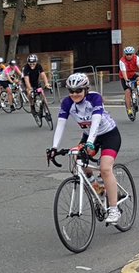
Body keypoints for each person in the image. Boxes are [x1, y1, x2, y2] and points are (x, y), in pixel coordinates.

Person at [46, 72, 122, 224]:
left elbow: (96, 121)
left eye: (78, 91)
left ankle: (114, 209)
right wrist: (54, 147)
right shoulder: (67, 103)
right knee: (77, 158)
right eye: (71, 91)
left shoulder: (94, 98)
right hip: (89, 136)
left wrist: (90, 142)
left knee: (105, 169)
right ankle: (98, 188)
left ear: (85, 89)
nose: (74, 94)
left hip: (109, 135)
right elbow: (61, 124)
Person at [117, 46, 139, 118]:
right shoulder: (122, 61)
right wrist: (127, 80)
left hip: (132, 74)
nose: (129, 56)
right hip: (124, 77)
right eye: (127, 54)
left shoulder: (136, 58)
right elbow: (123, 72)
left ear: (133, 54)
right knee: (127, 91)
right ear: (125, 54)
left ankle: (138, 93)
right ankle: (129, 110)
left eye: (130, 54)